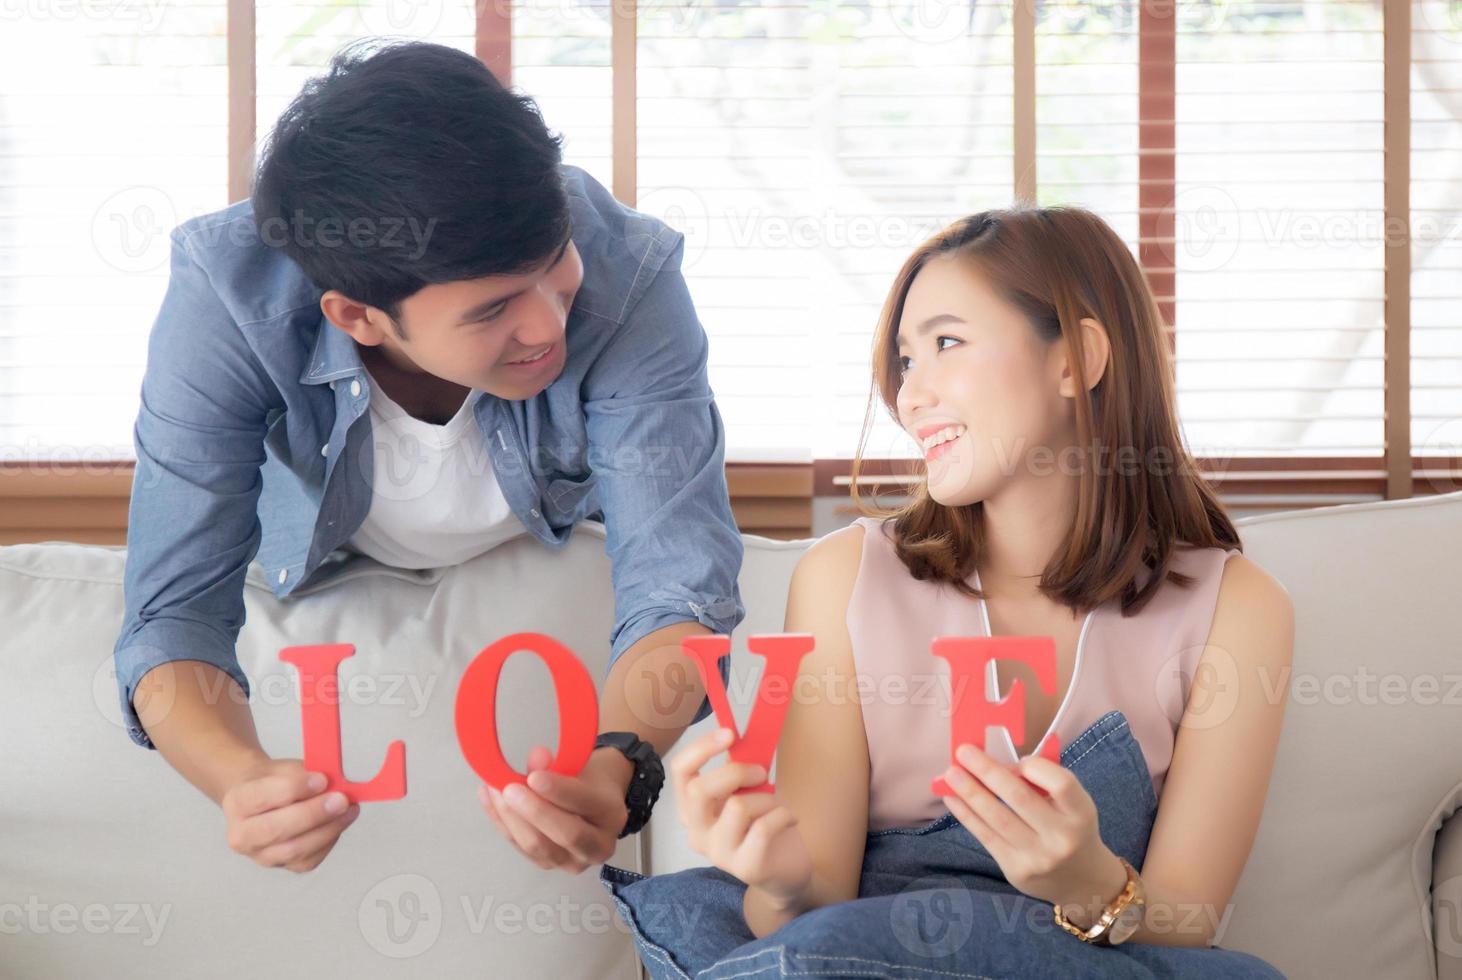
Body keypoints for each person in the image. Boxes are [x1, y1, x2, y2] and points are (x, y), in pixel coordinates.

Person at [600, 207, 1293, 978]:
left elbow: (1187, 927)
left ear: (1078, 359)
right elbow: (802, 917)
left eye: (946, 344)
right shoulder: (844, 581)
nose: (910, 395)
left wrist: (1089, 884)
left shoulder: (1237, 609)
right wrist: (781, 876)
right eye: (904, 360)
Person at [110, 39, 744, 876]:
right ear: (357, 316)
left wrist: (618, 764)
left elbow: (677, 580)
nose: (552, 325)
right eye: (492, 312)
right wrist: (242, 783)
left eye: (556, 267)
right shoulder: (226, 296)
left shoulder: (630, 268)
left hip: (552, 538)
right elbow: (173, 608)